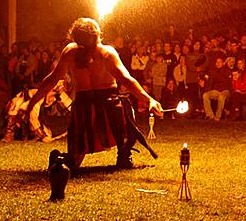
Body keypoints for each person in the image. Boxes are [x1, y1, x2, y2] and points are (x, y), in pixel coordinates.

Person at [27, 18, 163, 172]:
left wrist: (33, 102)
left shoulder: (70, 52)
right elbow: (126, 79)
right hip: (103, 107)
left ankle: (121, 155)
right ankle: (122, 154)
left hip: (88, 107)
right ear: (97, 34)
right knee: (125, 110)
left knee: (73, 162)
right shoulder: (106, 53)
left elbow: (51, 79)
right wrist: (149, 99)